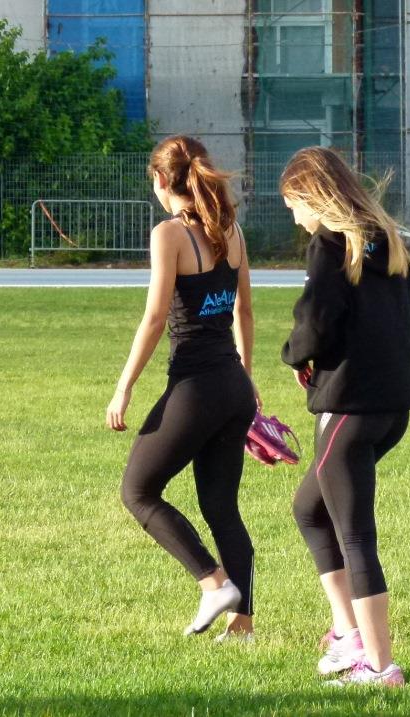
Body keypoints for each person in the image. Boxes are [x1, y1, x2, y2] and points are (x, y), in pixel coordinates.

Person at [107, 135, 259, 641]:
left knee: (138, 491)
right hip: (233, 385)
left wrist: (124, 387)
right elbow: (244, 310)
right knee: (221, 506)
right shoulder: (231, 230)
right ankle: (242, 626)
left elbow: (155, 318)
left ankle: (214, 584)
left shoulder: (169, 234)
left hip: (197, 387)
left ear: (159, 179)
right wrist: (247, 377)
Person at [280, 147, 410, 688]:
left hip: (349, 406)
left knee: (355, 535)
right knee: (309, 508)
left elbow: (317, 320)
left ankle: (379, 665)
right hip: (391, 405)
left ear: (311, 196)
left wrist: (295, 354)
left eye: (293, 205)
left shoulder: (330, 242)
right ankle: (347, 632)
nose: (295, 218)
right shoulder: (386, 237)